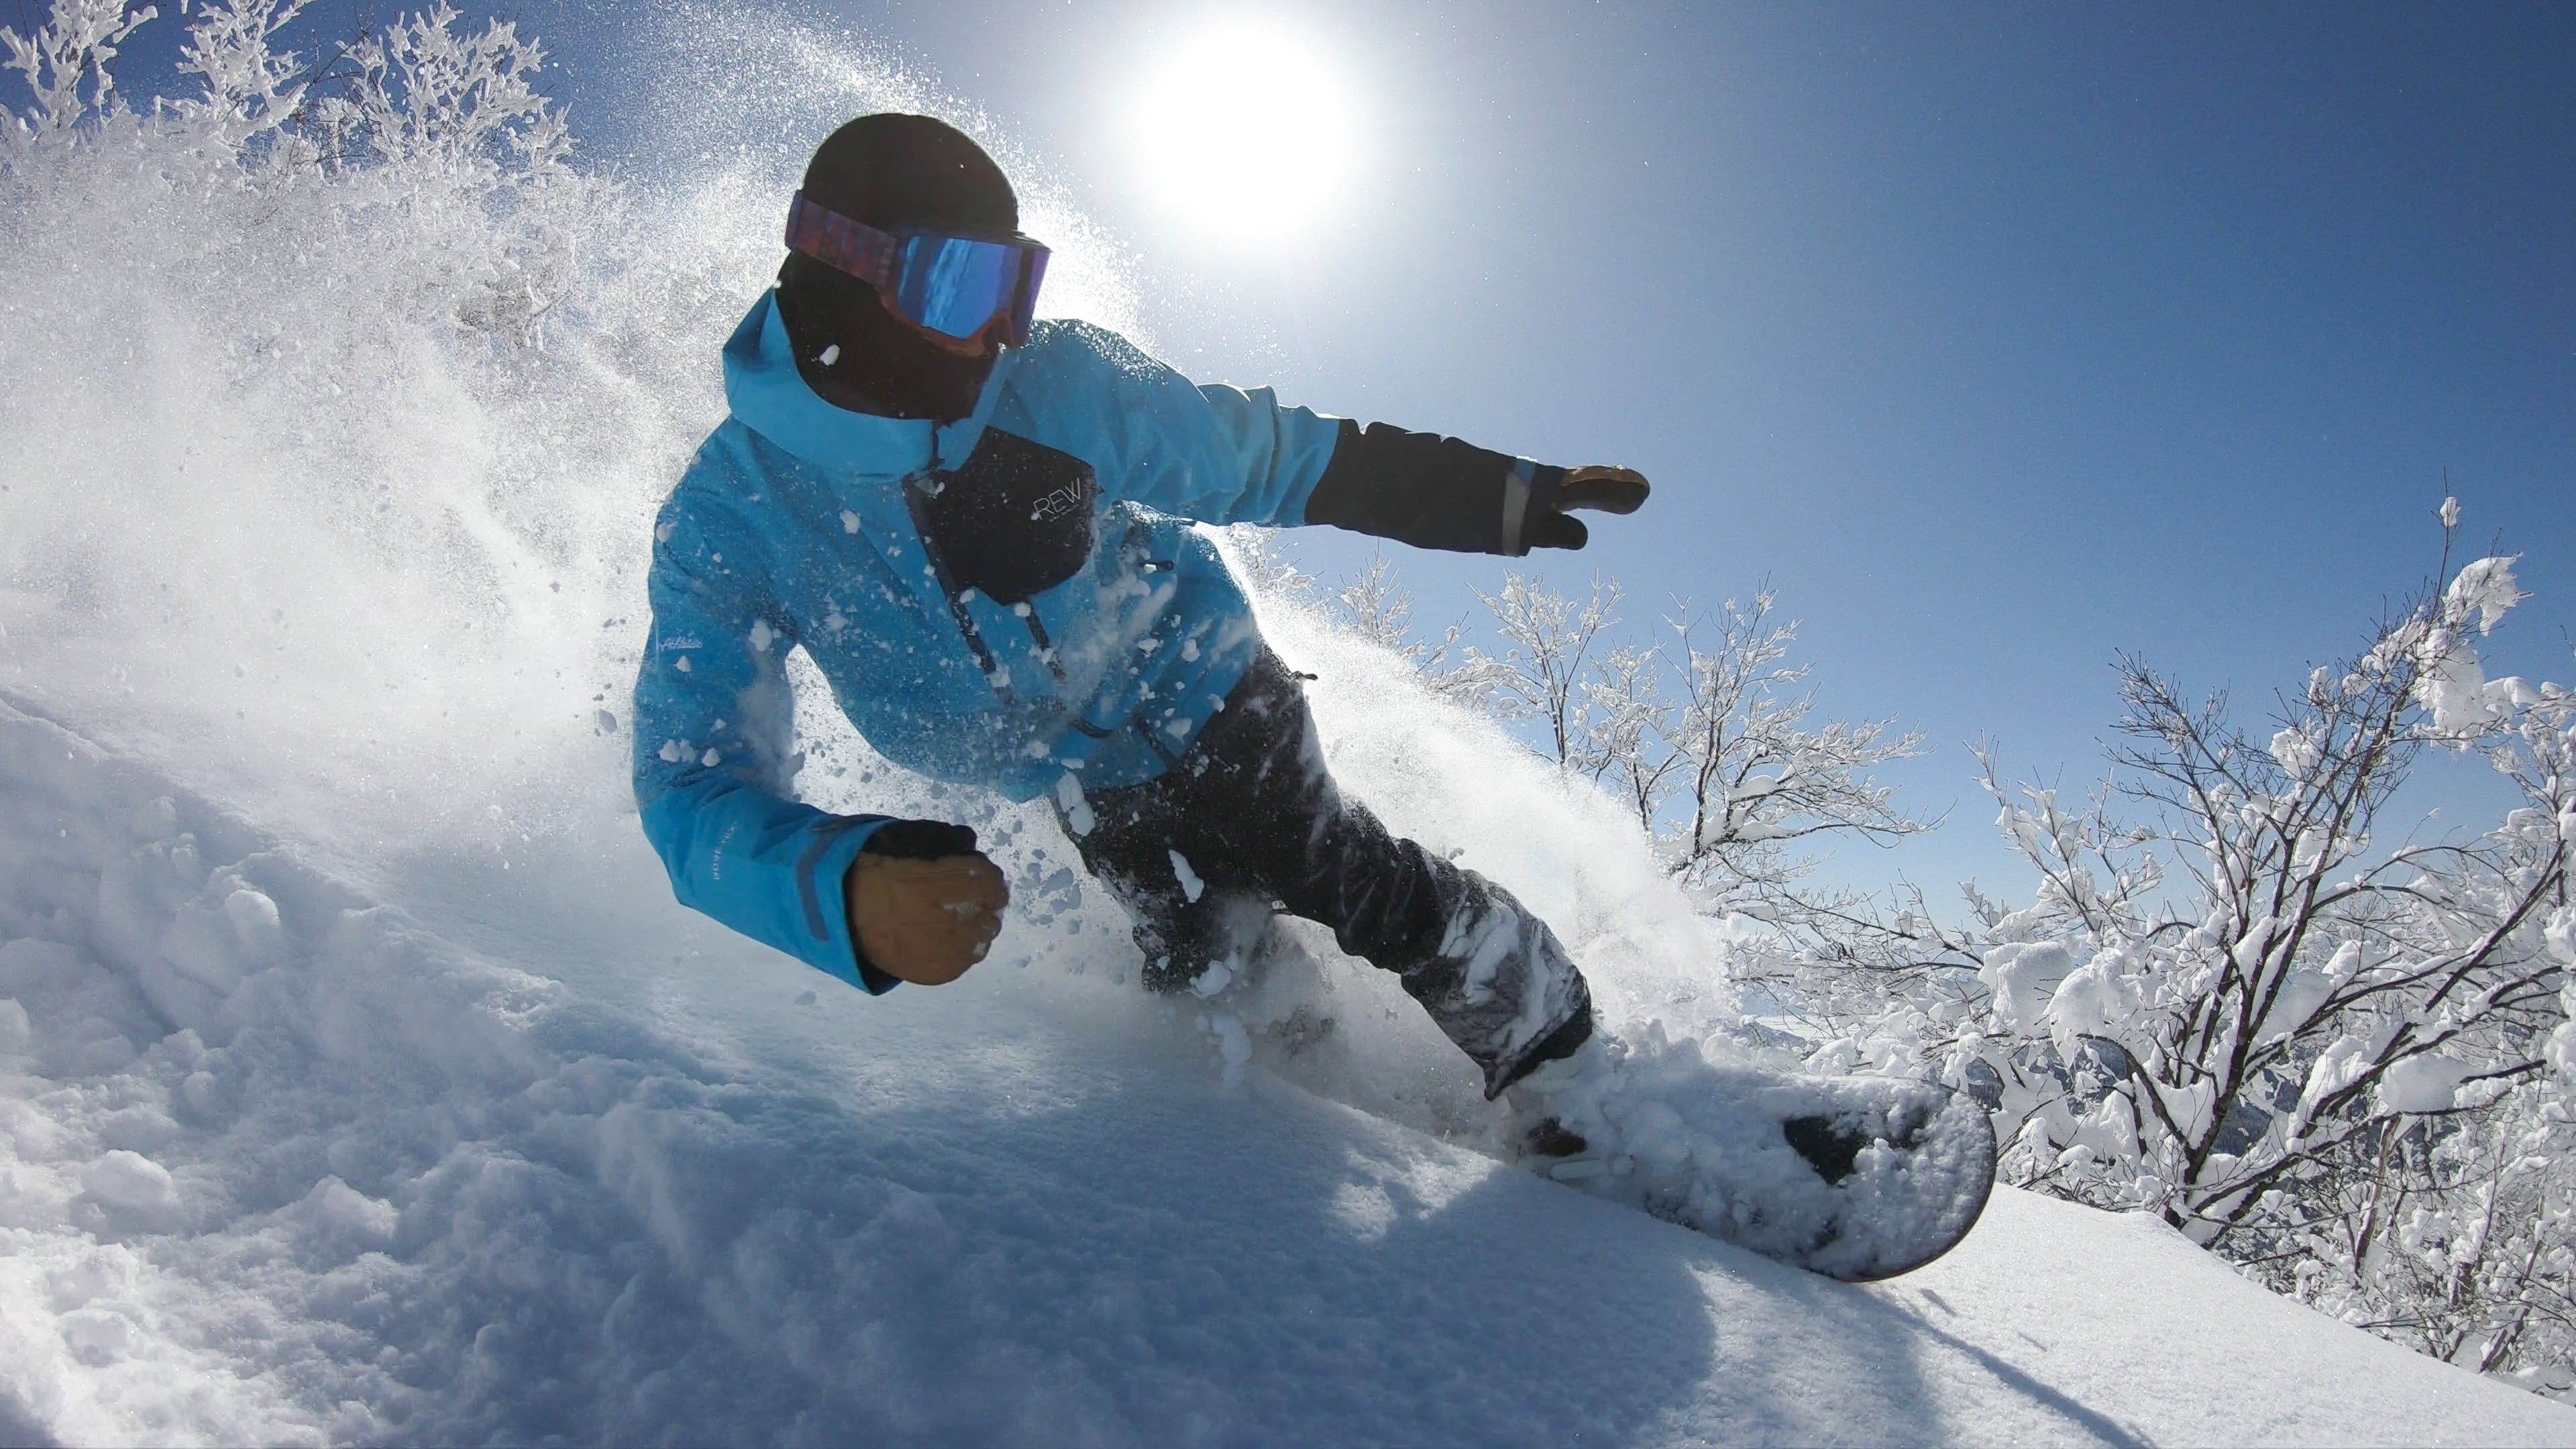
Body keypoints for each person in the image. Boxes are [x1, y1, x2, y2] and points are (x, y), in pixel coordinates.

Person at [632, 114, 1650, 1104]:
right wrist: (838, 889)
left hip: (1198, 670)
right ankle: (1327, 1096)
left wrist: (1488, 494)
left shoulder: (1057, 384)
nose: (997, 336)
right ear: (843, 272)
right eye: (962, 288)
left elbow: (1265, 455)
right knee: (1193, 953)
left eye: (1016, 290)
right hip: (1075, 776)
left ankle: (1561, 1058)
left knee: (1325, 861)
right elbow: (690, 790)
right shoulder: (730, 518)